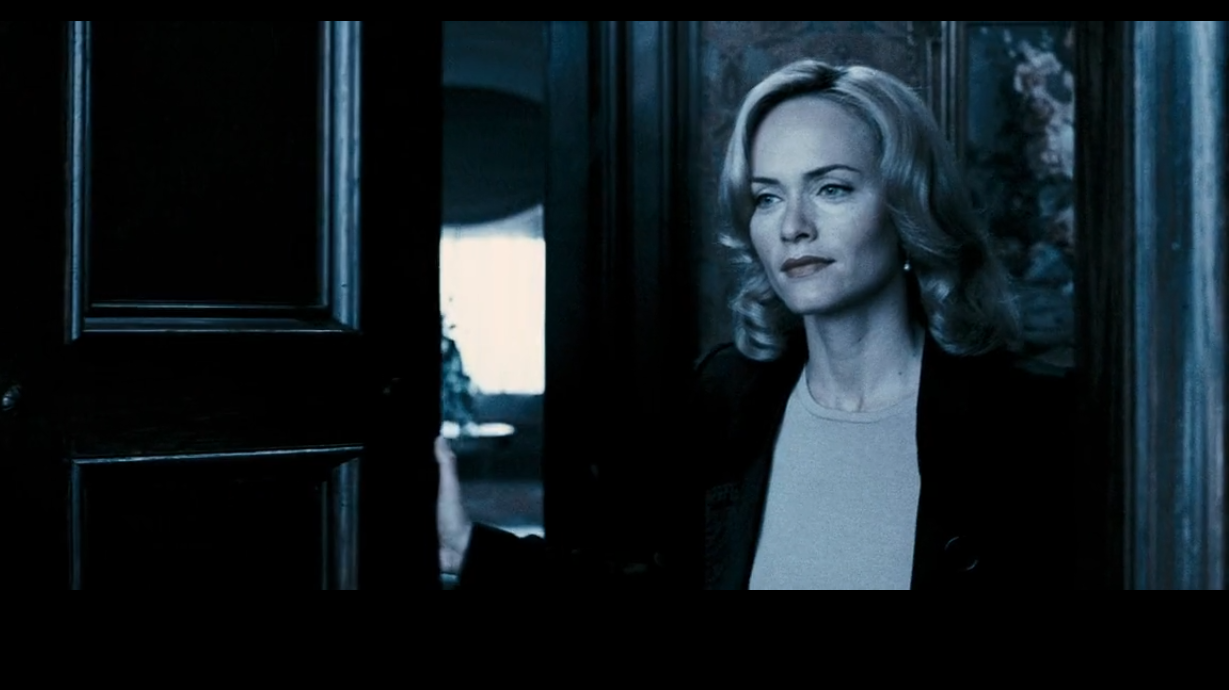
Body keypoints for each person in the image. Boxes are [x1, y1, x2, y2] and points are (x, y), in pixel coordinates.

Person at [435, 58, 1094, 590]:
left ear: (906, 208)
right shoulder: (728, 400)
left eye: (832, 188)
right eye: (768, 197)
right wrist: (468, 549)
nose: (793, 226)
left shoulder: (1023, 421)